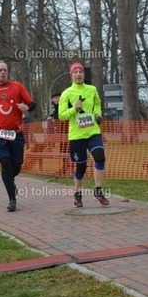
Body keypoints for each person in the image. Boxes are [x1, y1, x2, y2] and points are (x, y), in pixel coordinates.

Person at [0, 60, 36, 212]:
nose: (3, 72)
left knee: (16, 164)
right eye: (0, 70)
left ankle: (10, 182)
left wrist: (26, 107)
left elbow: (32, 104)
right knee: (5, 162)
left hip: (16, 132)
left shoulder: (17, 87)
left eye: (5, 70)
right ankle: (12, 199)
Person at [58, 62, 109, 208]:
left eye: (80, 71)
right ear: (71, 75)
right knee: (81, 167)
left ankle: (98, 191)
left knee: (100, 157)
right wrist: (74, 109)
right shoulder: (67, 93)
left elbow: (97, 104)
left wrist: (98, 114)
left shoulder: (92, 90)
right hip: (77, 136)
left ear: (83, 74)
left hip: (93, 132)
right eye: (75, 72)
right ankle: (77, 194)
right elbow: (61, 115)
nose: (78, 74)